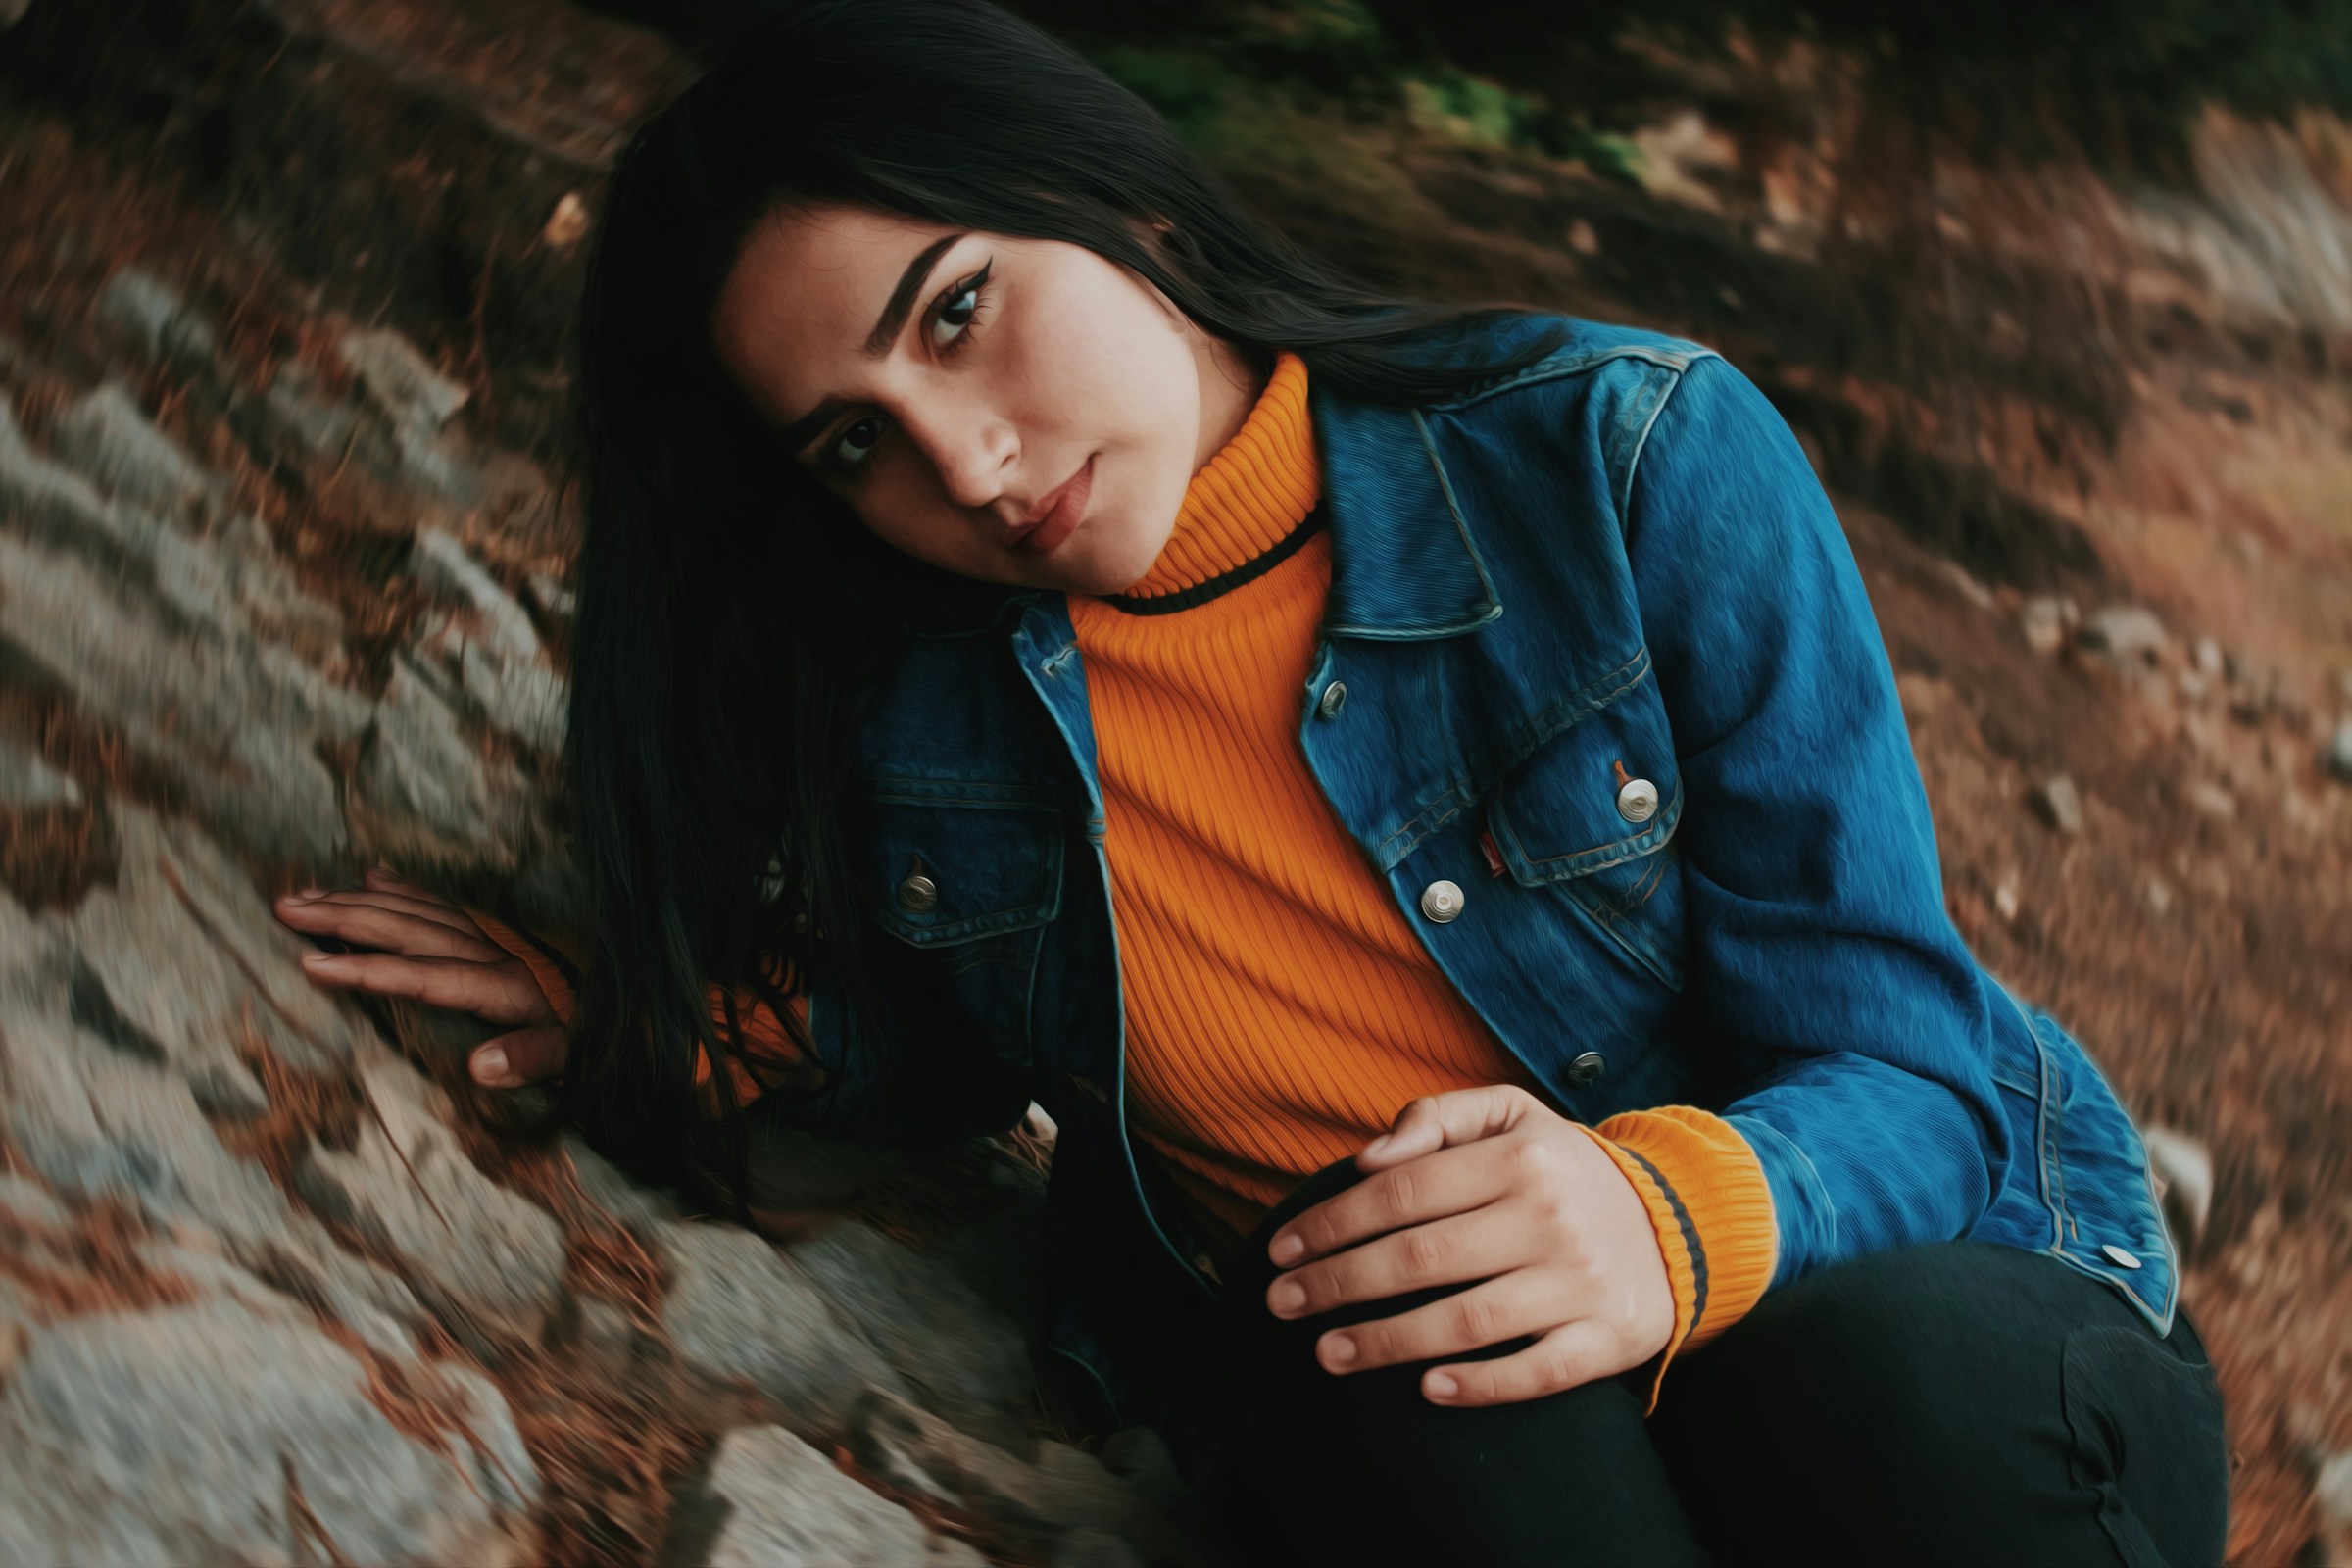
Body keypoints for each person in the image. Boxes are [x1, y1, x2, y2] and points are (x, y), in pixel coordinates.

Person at [273, 2, 2230, 1561]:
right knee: (1357, 1319)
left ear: (1107, 196)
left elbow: (1911, 1074)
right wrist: (659, 1013)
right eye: (856, 444)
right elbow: (946, 1039)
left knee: (1865, 1380)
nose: (961, 462)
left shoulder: (1618, 462)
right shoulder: (925, 705)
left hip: (1922, 1328)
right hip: (1496, 1433)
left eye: (956, 310)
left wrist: (1660, 1216)